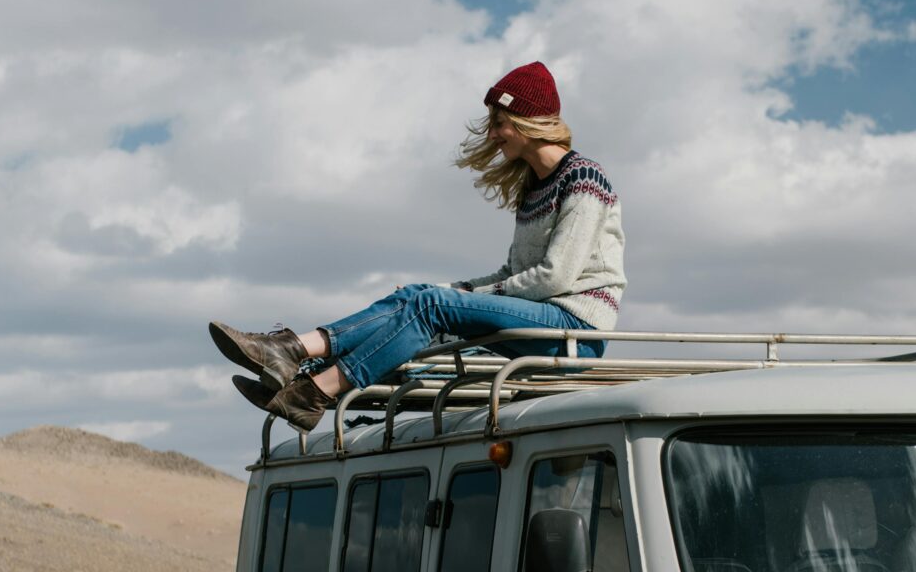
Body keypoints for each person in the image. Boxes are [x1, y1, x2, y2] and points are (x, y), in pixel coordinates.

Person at [208, 61, 626, 432]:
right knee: (416, 296)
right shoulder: (533, 187)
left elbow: (556, 276)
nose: (495, 133)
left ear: (530, 120)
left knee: (430, 305)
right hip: (542, 317)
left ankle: (312, 387)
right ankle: (295, 354)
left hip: (574, 326)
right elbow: (513, 272)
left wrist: (463, 297)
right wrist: (457, 288)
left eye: (501, 121)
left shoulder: (584, 177)